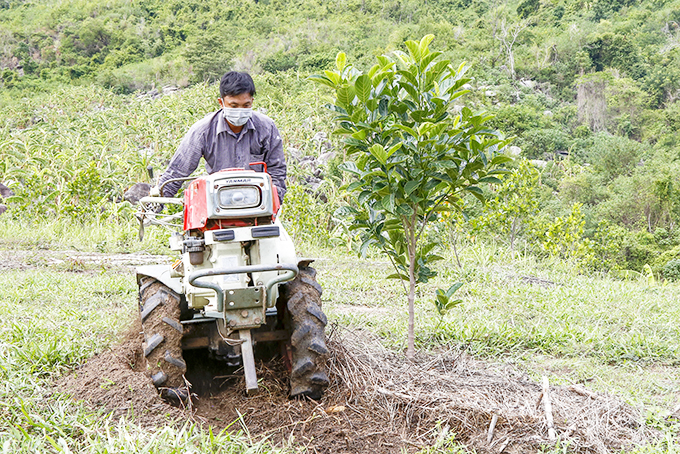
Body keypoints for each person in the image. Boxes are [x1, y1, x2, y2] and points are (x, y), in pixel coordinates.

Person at [158, 71, 286, 203]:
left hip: (258, 202)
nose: (240, 110)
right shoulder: (203, 131)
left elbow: (277, 171)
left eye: (246, 105)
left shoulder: (266, 128)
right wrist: (155, 204)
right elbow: (177, 171)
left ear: (252, 102)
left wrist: (274, 203)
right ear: (221, 102)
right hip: (218, 201)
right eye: (234, 105)